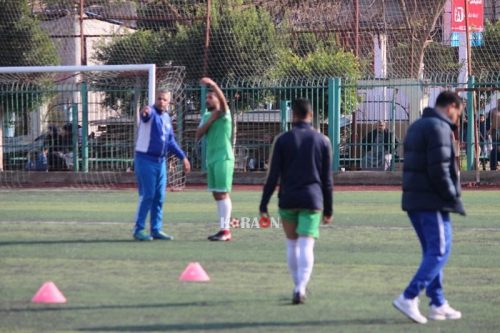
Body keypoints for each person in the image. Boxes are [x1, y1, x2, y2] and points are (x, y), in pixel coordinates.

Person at [393, 91, 465, 324]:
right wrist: (453, 196)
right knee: (440, 251)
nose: (457, 119)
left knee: (432, 251)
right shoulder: (439, 128)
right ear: (452, 106)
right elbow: (440, 169)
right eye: (458, 113)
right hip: (431, 201)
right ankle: (409, 296)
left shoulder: (417, 126)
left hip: (415, 200)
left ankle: (437, 302)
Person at [259, 99, 333, 305]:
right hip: (312, 199)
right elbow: (327, 180)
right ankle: (301, 287)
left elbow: (272, 176)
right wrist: (329, 208)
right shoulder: (322, 141)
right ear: (310, 115)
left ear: (293, 115)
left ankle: (297, 285)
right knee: (306, 244)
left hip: (288, 198)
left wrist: (263, 204)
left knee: (292, 243)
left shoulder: (282, 140)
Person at [133, 89, 191, 241]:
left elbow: (170, 141)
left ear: (169, 102)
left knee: (159, 197)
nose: (161, 101)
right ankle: (138, 229)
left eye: (165, 99)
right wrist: (143, 111)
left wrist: (183, 157)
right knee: (148, 195)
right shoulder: (151, 112)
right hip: (145, 160)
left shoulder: (166, 118)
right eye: (159, 98)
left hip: (161, 162)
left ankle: (156, 229)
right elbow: (145, 115)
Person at [195, 77, 235, 242]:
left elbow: (224, 104)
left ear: (218, 99)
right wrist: (210, 120)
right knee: (217, 194)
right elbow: (198, 135)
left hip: (223, 158)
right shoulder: (207, 115)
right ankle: (222, 229)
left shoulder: (224, 114)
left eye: (210, 97)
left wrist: (214, 84)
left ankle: (226, 230)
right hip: (211, 158)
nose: (207, 99)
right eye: (206, 97)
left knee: (223, 193)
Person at [489, 104, 500, 171]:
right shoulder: (493, 111)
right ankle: (494, 166)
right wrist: (490, 129)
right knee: (495, 148)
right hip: (495, 130)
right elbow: (489, 122)